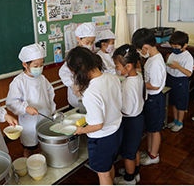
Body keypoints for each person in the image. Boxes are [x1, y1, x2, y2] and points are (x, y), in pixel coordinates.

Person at [67, 47, 123, 185]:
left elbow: (97, 125)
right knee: (109, 165)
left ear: (80, 70)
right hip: (116, 131)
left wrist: (81, 130)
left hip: (102, 139)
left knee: (103, 175)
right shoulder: (112, 77)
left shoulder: (91, 92)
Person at [6, 43, 56, 157]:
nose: (39, 68)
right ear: (25, 64)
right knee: (30, 146)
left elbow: (50, 93)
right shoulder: (19, 82)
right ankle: (29, 162)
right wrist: (26, 108)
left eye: (41, 64)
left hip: (44, 116)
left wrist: (51, 109)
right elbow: (11, 102)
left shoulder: (42, 78)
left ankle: (43, 160)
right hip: (29, 122)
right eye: (36, 65)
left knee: (44, 142)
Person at [132, 28, 166, 166]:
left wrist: (140, 83)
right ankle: (150, 151)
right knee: (151, 128)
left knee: (155, 130)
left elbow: (155, 85)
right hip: (151, 99)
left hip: (155, 99)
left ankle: (154, 155)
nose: (140, 53)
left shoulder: (156, 62)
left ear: (145, 47)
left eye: (140, 50)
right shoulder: (153, 58)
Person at [112, 44, 146, 185]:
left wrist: (114, 106)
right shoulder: (137, 76)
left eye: (118, 66)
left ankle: (129, 179)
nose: (116, 69)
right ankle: (134, 172)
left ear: (129, 66)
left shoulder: (127, 85)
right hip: (138, 118)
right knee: (134, 149)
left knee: (127, 154)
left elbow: (126, 109)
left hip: (130, 122)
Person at [59, 22, 96, 109]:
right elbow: (63, 72)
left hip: (91, 97)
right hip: (76, 100)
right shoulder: (74, 55)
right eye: (87, 42)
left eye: (92, 42)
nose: (90, 45)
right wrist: (73, 84)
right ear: (78, 39)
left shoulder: (91, 55)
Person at [166, 31, 194, 132]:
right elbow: (168, 68)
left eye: (176, 46)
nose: (174, 49)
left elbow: (189, 73)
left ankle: (180, 122)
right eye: (172, 46)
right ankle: (175, 119)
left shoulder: (188, 57)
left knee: (181, 103)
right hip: (171, 79)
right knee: (173, 102)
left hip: (182, 81)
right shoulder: (172, 54)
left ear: (185, 45)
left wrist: (178, 67)